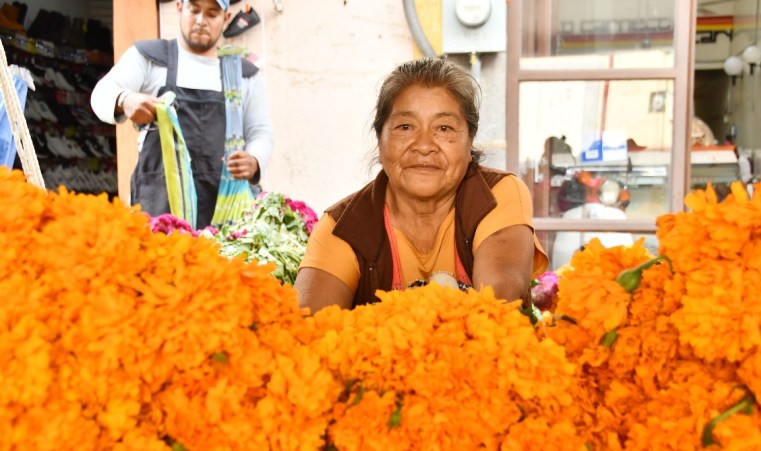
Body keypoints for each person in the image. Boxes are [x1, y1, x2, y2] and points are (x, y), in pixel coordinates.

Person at [294, 57, 548, 313]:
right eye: (405, 127)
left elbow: (498, 306)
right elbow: (309, 331)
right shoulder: (343, 227)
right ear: (380, 141)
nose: (424, 145)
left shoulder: (498, 195)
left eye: (444, 128)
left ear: (470, 141)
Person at [90, 0, 273, 229]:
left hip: (221, 214)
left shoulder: (244, 76)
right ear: (179, 8)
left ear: (226, 19)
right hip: (157, 210)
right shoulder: (148, 58)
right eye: (194, 9)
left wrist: (254, 160)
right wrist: (124, 99)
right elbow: (101, 94)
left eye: (212, 14)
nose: (200, 20)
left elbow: (261, 132)